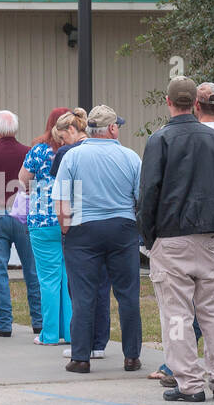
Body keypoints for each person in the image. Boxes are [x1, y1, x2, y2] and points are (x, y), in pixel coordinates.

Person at [139, 77, 214, 402]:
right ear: (194, 104)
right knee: (213, 310)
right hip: (209, 236)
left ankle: (190, 383)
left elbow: (149, 192)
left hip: (171, 237)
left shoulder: (160, 140)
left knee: (178, 315)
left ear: (169, 102)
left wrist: (149, 236)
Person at [54, 104, 143, 374]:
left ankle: (81, 357)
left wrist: (66, 229)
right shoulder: (130, 157)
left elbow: (61, 202)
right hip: (122, 227)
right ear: (112, 128)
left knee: (83, 295)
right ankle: (131, 356)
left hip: (83, 228)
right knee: (127, 294)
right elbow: (141, 198)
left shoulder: (72, 157)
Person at [52, 108, 111, 359]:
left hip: (79, 224)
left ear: (72, 130)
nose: (61, 145)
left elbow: (63, 191)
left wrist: (65, 225)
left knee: (80, 290)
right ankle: (99, 342)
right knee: (102, 288)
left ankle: (82, 345)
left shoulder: (68, 154)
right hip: (111, 222)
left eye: (62, 139)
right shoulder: (109, 150)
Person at [0, 110, 42, 337]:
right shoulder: (28, 152)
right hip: (24, 214)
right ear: (15, 130)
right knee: (32, 270)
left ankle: (4, 322)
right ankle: (39, 320)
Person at [19, 108, 73, 348]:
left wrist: (35, 186)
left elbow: (22, 179)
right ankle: (71, 332)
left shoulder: (39, 151)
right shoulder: (73, 151)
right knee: (68, 277)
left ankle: (49, 333)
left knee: (49, 279)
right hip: (70, 219)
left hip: (42, 220)